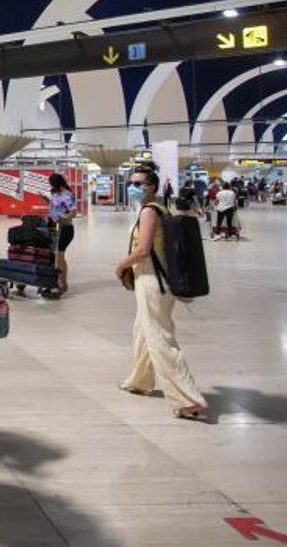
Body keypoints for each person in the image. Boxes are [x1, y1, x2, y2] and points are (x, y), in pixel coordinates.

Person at [115, 161, 207, 422]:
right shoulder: (160, 207)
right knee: (143, 331)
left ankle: (187, 399)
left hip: (151, 280)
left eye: (138, 184)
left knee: (159, 337)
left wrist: (121, 264)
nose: (133, 187)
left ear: (151, 186)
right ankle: (139, 380)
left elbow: (143, 250)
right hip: (160, 280)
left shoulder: (148, 212)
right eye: (130, 183)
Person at [47, 173, 78, 293]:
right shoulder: (55, 194)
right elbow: (54, 208)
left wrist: (64, 217)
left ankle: (58, 282)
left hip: (65, 228)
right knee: (59, 256)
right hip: (55, 227)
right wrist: (46, 201)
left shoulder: (67, 195)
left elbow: (74, 212)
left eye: (52, 184)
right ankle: (63, 283)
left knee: (59, 256)